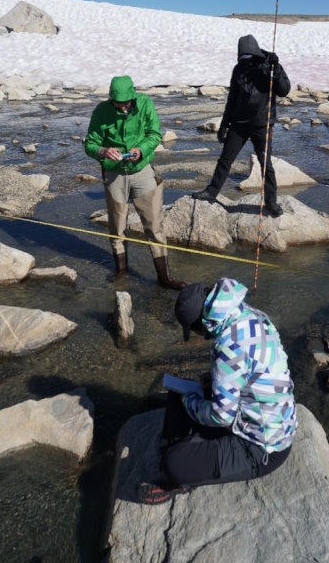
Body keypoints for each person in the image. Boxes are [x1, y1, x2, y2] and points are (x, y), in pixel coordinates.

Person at [140, 277, 297, 503]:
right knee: (179, 395)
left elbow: (221, 416)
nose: (200, 337)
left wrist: (189, 402)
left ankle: (178, 473)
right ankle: (184, 452)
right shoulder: (247, 314)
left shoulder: (228, 344)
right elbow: (248, 370)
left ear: (200, 324)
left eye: (195, 331)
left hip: (261, 447)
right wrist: (214, 383)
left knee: (174, 462)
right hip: (257, 418)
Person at [84, 75, 186, 290]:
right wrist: (103, 151)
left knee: (154, 224)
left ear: (132, 96)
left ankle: (164, 277)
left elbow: (154, 134)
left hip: (142, 171)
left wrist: (141, 149)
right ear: (111, 99)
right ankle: (121, 271)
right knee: (117, 226)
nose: (122, 106)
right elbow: (90, 144)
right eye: (117, 103)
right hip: (114, 174)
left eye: (125, 102)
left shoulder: (145, 104)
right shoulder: (101, 112)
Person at [193, 34, 290, 217]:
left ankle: (271, 202)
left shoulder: (270, 65)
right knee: (225, 160)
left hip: (262, 124)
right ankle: (211, 193)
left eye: (248, 57)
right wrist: (224, 124)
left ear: (255, 53)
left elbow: (284, 91)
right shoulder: (238, 70)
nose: (245, 61)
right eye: (242, 57)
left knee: (265, 164)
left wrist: (276, 69)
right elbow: (232, 99)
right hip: (239, 124)